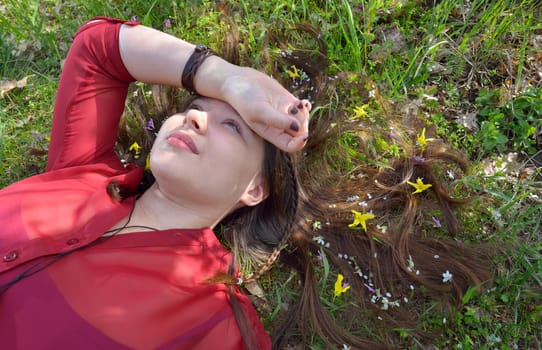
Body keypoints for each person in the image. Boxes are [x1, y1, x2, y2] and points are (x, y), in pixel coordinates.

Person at [0, 16, 491, 350]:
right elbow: (98, 49)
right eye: (194, 109)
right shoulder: (82, 170)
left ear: (255, 189)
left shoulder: (215, 323)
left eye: (231, 126)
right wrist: (226, 79)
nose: (195, 121)